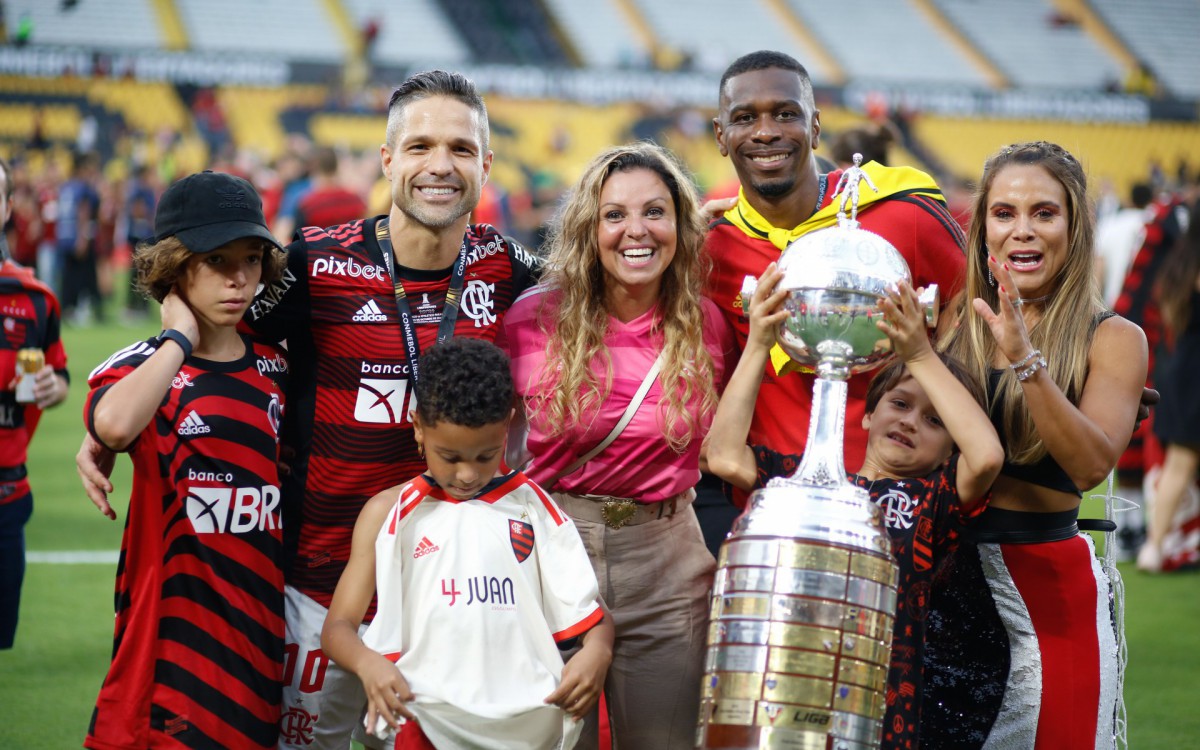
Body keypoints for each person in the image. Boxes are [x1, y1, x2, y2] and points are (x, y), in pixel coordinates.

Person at [77, 69, 540, 750]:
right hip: (316, 595)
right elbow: (215, 334)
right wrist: (110, 430)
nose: (440, 165)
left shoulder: (510, 268)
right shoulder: (315, 266)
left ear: (487, 164)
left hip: (446, 596)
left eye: (461, 149)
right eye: (419, 147)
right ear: (387, 160)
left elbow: (607, 290)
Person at [706, 265, 1002, 749]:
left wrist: (920, 354)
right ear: (866, 413)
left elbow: (987, 456)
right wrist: (760, 340)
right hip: (785, 700)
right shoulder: (808, 485)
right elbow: (721, 455)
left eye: (934, 420)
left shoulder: (932, 503)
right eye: (900, 404)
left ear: (951, 450)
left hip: (880, 719)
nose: (910, 422)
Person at [503, 141, 735, 749]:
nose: (636, 230)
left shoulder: (710, 325)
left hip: (667, 564)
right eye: (615, 215)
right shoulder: (531, 318)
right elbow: (493, 448)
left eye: (655, 212)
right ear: (590, 227)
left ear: (680, 227)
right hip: (553, 554)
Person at [922, 141, 1149, 749]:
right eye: (1004, 214)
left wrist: (1027, 361)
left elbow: (1089, 464)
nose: (1022, 231)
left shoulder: (1114, 338)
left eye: (1044, 214)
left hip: (1045, 603)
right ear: (983, 227)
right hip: (941, 594)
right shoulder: (947, 323)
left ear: (1074, 226)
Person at [322, 338, 614, 749]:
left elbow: (594, 617)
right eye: (450, 456)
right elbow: (338, 628)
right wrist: (368, 664)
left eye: (485, 456)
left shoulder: (533, 508)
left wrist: (596, 653)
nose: (466, 475)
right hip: (421, 720)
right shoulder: (387, 513)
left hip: (524, 725)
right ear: (418, 425)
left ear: (509, 424)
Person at [83, 170, 290, 749]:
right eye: (217, 260)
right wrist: (176, 338)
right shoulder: (142, 366)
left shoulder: (276, 364)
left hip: (259, 634)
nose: (240, 278)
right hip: (174, 643)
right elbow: (117, 425)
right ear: (174, 267)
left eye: (251, 259)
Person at [705, 50, 967, 499]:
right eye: (745, 118)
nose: (765, 132)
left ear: (815, 127)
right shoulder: (709, 248)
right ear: (721, 135)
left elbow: (980, 310)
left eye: (786, 114)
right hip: (765, 500)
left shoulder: (901, 213)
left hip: (898, 501)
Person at [0, 155, 69, 650]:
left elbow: (59, 373)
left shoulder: (35, 298)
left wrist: (54, 387)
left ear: (6, 208)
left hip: (7, 496)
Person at [1138, 198, 1200, 572]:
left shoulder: (1179, 262)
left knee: (1179, 462)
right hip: (1194, 376)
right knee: (1181, 462)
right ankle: (1155, 546)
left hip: (1179, 369)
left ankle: (1155, 546)